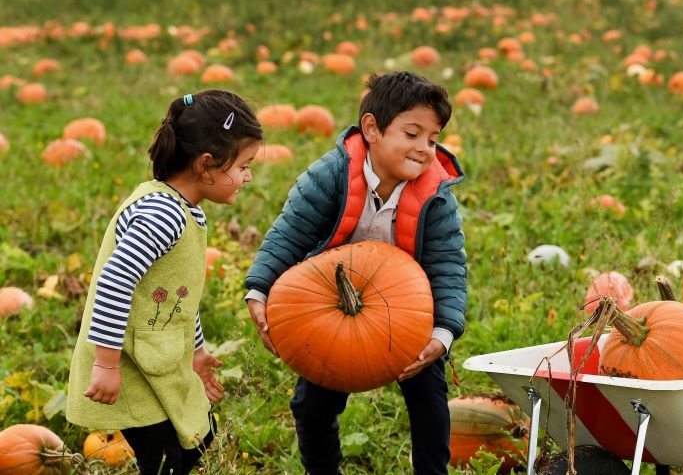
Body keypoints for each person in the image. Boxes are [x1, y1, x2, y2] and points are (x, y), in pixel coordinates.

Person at [244, 70, 467, 475]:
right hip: (330, 304)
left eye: (432, 140)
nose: (424, 149)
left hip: (407, 311)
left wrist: (443, 333)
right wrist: (259, 290)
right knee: (311, 405)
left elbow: (448, 266)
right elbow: (289, 234)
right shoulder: (329, 176)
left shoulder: (436, 197)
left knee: (429, 396)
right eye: (412, 133)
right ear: (372, 129)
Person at [67, 89, 263, 475]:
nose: (249, 176)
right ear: (207, 165)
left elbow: (178, 296)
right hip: (129, 365)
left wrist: (198, 350)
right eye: (244, 165)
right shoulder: (162, 214)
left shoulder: (183, 209)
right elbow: (113, 282)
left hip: (159, 354)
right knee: (164, 459)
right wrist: (106, 365)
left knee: (199, 440)